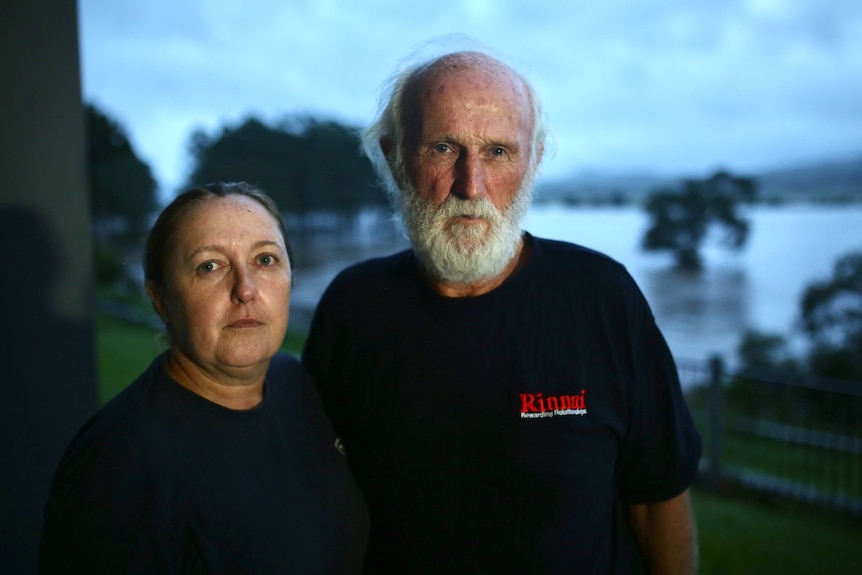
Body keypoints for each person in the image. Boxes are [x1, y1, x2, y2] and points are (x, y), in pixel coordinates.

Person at [302, 49, 702, 574]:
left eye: (497, 152)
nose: (471, 185)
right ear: (396, 158)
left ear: (533, 161)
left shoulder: (602, 297)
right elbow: (313, 499)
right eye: (443, 148)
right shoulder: (353, 309)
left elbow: (658, 498)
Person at [40, 182, 368, 573]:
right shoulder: (116, 464)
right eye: (209, 266)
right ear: (162, 299)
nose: (245, 289)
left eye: (265, 260)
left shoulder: (294, 381)